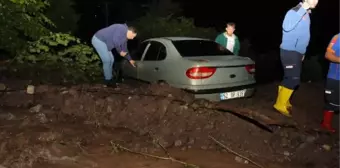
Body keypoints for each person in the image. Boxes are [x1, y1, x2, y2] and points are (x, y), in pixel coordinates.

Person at [273, 0, 318, 117]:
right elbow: (286, 27)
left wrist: (302, 53)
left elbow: (303, 35)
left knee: (288, 77)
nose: (316, 1)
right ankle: (279, 104)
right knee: (294, 79)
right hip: (289, 51)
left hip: (296, 52)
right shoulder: (294, 11)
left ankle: (284, 101)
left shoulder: (306, 14)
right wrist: (303, 9)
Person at [321, 34, 340, 133]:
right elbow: (328, 55)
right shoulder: (338, 38)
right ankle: (326, 124)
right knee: (333, 103)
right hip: (335, 77)